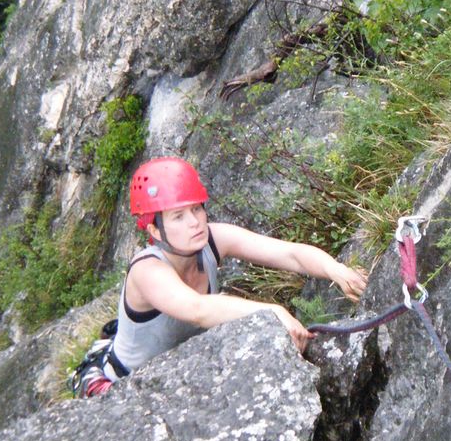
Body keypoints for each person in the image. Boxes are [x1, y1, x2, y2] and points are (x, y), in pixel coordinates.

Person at [75, 156, 367, 396]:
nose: (194, 222)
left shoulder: (213, 239)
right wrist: (274, 311)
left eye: (196, 209)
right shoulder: (146, 270)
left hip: (180, 370)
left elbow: (290, 254)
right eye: (178, 216)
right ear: (154, 230)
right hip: (122, 384)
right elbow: (197, 309)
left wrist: (336, 270)